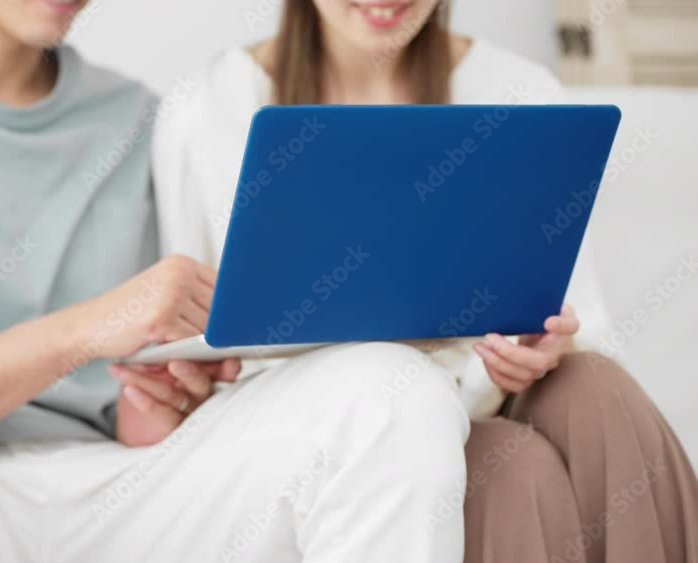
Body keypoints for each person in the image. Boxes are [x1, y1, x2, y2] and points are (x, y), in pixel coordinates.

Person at [0, 1, 475, 562]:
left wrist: (160, 397)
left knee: (392, 390)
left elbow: (129, 402)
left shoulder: (137, 119)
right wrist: (85, 330)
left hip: (100, 491)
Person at [150, 1, 698, 562]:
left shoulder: (521, 91)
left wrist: (544, 345)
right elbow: (190, 345)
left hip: (490, 388)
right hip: (339, 424)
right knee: (508, 463)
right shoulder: (207, 108)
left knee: (594, 383)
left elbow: (576, 317)